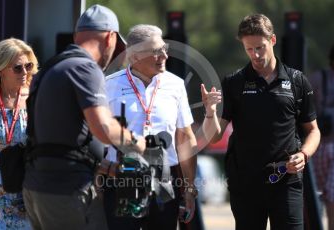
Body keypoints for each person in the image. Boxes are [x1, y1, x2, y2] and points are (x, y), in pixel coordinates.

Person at [22, 4, 145, 230]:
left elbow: (60, 136)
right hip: (66, 190)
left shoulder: (51, 67)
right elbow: (104, 129)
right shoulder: (86, 68)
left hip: (38, 186)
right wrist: (136, 142)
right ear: (110, 38)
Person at [201, 14, 321, 230]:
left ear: (272, 40)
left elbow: (313, 130)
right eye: (249, 49)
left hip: (287, 180)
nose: (255, 55)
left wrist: (304, 155)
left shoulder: (297, 80)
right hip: (246, 183)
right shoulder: (234, 82)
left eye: (260, 47)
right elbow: (214, 136)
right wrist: (210, 113)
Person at [103, 24, 198, 230]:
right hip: (123, 176)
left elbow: (185, 138)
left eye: (164, 49)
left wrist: (189, 189)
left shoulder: (176, 84)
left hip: (164, 178)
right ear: (134, 57)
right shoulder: (108, 85)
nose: (164, 55)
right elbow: (94, 134)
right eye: (156, 51)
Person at [0, 38, 38, 229]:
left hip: (27, 194)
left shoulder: (35, 99)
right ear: (1, 70)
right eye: (18, 68)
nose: (25, 72)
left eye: (29, 66)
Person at [310, 44, 334, 230]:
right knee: (313, 197)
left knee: (332, 198)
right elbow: (305, 113)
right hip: (319, 146)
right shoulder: (319, 79)